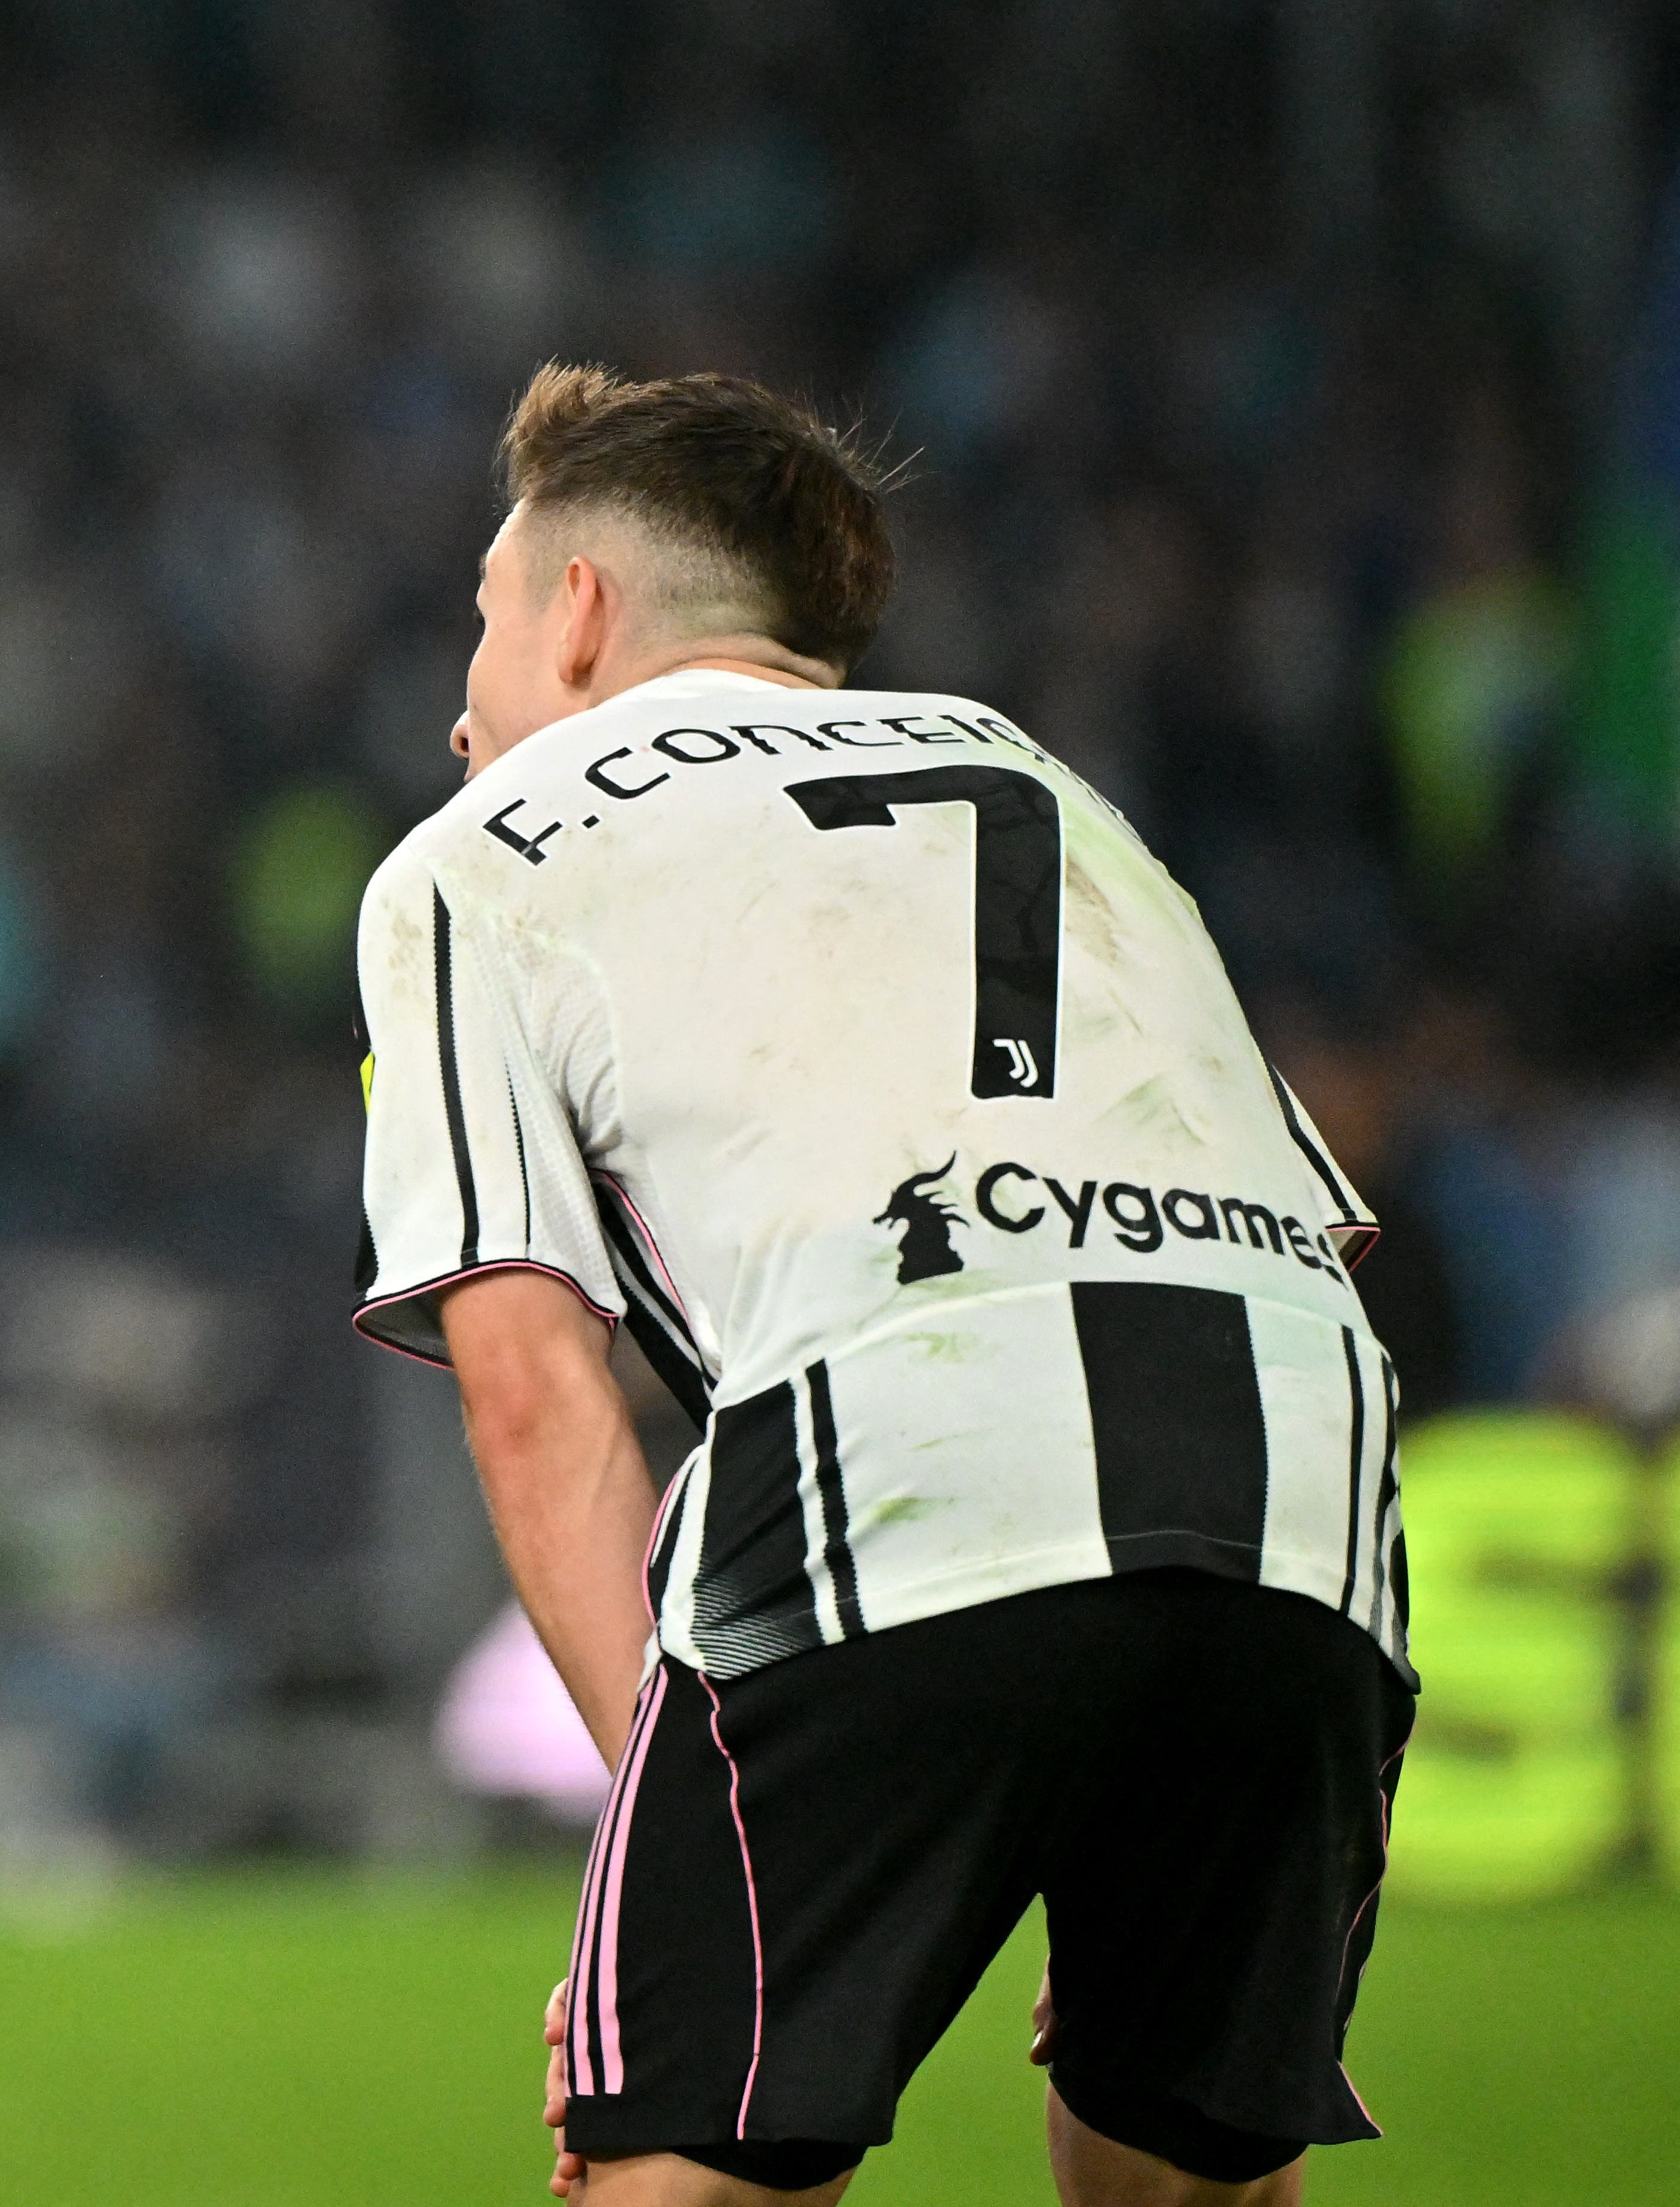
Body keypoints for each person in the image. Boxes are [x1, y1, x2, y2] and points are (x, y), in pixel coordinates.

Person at [350, 365, 1411, 2207]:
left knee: (682, 2174)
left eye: (484, 626)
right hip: (1297, 1493)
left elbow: (532, 1393)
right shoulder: (1044, 779)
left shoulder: (479, 859)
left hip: (903, 1447)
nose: (463, 713)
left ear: (582, 612)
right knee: (1182, 2173)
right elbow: (1310, 1227)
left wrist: (661, 1856)